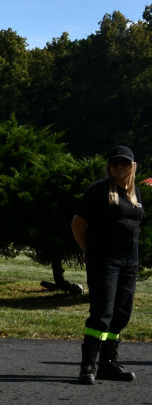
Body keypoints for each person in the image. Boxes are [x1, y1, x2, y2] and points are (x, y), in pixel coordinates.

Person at [71, 146, 143, 385]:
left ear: (132, 166)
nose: (120, 168)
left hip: (129, 262)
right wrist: (88, 252)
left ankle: (107, 364)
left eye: (125, 163)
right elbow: (77, 223)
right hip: (105, 261)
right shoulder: (98, 191)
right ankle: (88, 365)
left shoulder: (136, 193)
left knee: (122, 313)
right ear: (109, 167)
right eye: (115, 164)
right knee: (102, 311)